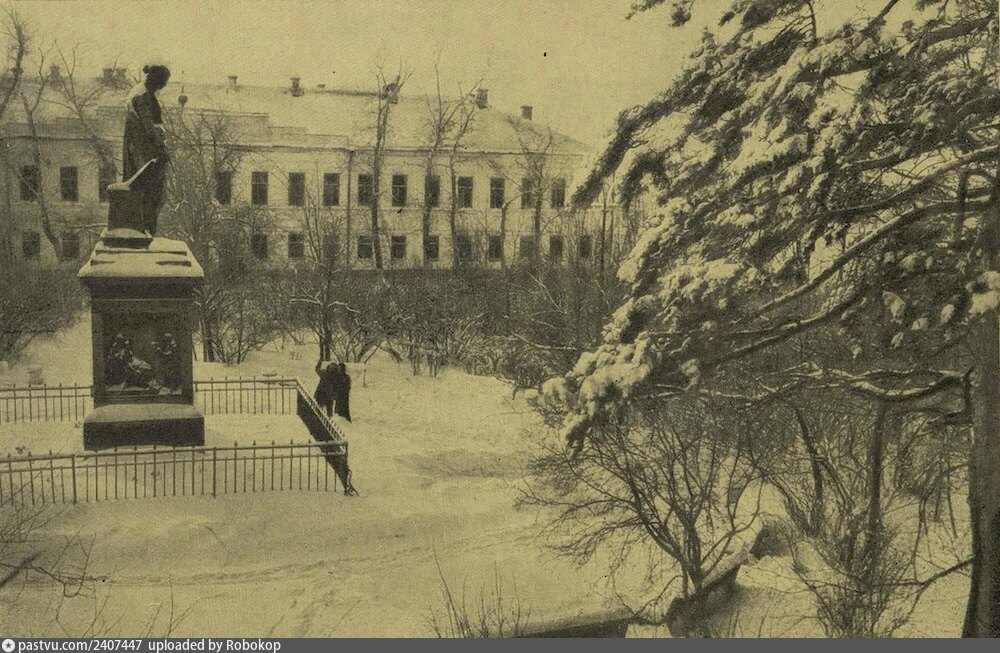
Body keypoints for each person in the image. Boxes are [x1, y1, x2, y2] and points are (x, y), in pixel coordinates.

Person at [123, 64, 171, 235]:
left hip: (144, 148)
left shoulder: (143, 92)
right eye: (162, 83)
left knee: (151, 191)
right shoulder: (142, 95)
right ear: (156, 80)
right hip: (144, 150)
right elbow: (149, 126)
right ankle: (145, 230)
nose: (162, 87)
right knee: (150, 190)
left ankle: (147, 229)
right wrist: (161, 149)